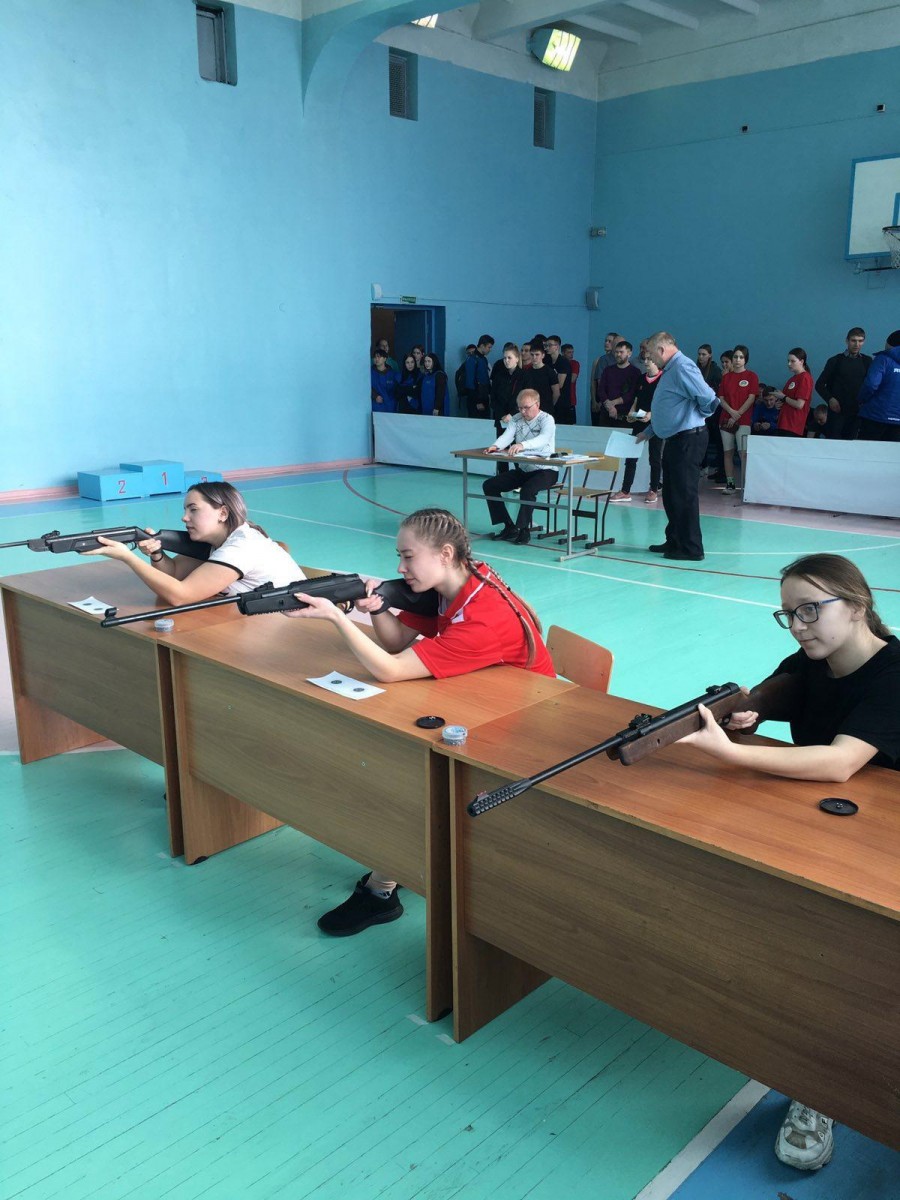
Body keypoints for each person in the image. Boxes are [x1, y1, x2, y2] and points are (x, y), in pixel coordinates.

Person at [680, 552, 899, 1172]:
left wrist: (731, 754)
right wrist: (748, 713)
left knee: (846, 965)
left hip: (884, 847)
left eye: (810, 610)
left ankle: (821, 1087)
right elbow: (767, 698)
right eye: (788, 614)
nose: (798, 626)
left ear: (857, 605)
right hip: (831, 827)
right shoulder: (810, 664)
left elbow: (839, 761)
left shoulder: (895, 674)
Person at [289, 507, 554, 935]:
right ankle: (400, 865)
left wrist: (338, 616)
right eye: (399, 556)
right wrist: (376, 608)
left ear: (445, 554)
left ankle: (381, 892)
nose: (400, 567)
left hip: (524, 734)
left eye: (408, 556)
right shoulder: (459, 583)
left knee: (414, 784)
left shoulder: (482, 617)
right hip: (488, 704)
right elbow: (396, 643)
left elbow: (390, 670)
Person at [84, 481, 304, 605]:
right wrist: (157, 554)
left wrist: (127, 557)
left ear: (223, 513)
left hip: (290, 623)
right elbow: (174, 573)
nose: (184, 518)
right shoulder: (217, 542)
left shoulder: (241, 547)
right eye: (185, 510)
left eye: (194, 510)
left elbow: (180, 595)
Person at [640, 331, 716, 561]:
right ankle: (675, 540)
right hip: (676, 439)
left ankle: (691, 548)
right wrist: (651, 430)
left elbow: (709, 399)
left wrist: (696, 417)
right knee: (672, 494)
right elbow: (671, 406)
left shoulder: (683, 367)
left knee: (684, 494)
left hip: (688, 439)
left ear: (661, 350)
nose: (650, 359)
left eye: (651, 354)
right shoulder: (672, 369)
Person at [482, 388, 557, 545]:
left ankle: (524, 530)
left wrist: (522, 445)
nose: (523, 411)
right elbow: (507, 436)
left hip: (546, 470)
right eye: (520, 408)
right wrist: (495, 446)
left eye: (526, 408)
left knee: (528, 490)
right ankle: (508, 526)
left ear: (537, 404)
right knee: (489, 485)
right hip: (524, 470)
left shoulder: (547, 419)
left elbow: (543, 439)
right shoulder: (516, 419)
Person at [611, 348, 663, 503]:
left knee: (655, 458)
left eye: (649, 359)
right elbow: (635, 399)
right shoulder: (640, 379)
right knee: (631, 456)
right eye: (644, 359)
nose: (645, 362)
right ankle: (625, 491)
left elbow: (666, 403)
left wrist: (652, 414)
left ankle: (653, 489)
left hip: (656, 424)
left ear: (656, 361)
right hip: (639, 422)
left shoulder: (664, 379)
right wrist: (632, 413)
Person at [815, 327, 872, 440]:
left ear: (864, 342)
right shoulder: (835, 361)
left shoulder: (867, 361)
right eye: (853, 340)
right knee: (833, 443)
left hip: (856, 413)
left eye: (860, 341)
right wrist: (830, 399)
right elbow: (819, 385)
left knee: (851, 445)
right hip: (837, 412)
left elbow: (870, 386)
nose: (857, 344)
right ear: (847, 341)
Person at [716, 344, 758, 494]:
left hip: (744, 420)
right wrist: (731, 412)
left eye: (741, 357)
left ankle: (747, 486)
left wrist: (737, 414)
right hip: (726, 420)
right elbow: (721, 398)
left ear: (746, 359)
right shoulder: (726, 377)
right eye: (735, 357)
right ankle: (730, 484)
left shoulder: (752, 376)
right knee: (728, 452)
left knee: (743, 453)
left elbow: (751, 398)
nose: (738, 360)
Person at [855, 329, 900, 441]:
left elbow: (871, 384)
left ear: (890, 343)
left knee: (866, 450)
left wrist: (861, 400)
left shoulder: (883, 359)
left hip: (875, 415)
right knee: (892, 452)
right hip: (897, 420)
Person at [490, 343, 526, 469]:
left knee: (517, 451)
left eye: (509, 358)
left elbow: (525, 399)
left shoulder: (524, 376)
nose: (506, 361)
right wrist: (501, 415)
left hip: (518, 419)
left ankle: (520, 475)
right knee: (501, 451)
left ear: (517, 358)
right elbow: (493, 398)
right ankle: (502, 476)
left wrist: (512, 414)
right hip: (502, 420)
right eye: (504, 358)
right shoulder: (499, 376)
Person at [594, 340, 642, 427]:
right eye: (616, 352)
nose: (618, 354)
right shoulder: (608, 370)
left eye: (621, 352)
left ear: (629, 354)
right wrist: (610, 406)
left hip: (624, 416)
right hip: (606, 414)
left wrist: (613, 403)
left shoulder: (635, 372)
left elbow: (632, 393)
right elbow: (601, 390)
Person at [698, 345, 725, 481]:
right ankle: (702, 465)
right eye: (699, 354)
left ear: (710, 355)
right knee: (700, 438)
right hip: (699, 409)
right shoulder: (695, 369)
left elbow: (720, 390)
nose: (701, 357)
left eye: (704, 354)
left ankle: (718, 468)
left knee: (715, 439)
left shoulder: (715, 370)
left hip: (713, 410)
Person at [774, 347, 814, 437]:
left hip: (793, 425)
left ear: (801, 361)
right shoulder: (792, 379)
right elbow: (787, 400)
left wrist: (783, 397)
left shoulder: (805, 378)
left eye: (793, 361)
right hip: (783, 423)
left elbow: (799, 405)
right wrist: (779, 404)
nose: (789, 364)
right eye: (788, 361)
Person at [590, 333, 620, 424]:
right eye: (606, 341)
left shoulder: (619, 362)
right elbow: (593, 382)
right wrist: (594, 401)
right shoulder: (598, 360)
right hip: (598, 399)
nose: (606, 343)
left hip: (612, 401)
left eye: (609, 341)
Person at [523, 340, 559, 412]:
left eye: (537, 355)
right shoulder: (526, 372)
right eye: (532, 355)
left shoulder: (550, 372)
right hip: (530, 409)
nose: (534, 357)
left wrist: (550, 406)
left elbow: (556, 393)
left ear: (543, 355)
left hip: (546, 410)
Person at [463, 335, 494, 418]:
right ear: (482, 345)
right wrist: (477, 401)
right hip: (476, 400)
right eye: (489, 347)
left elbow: (485, 379)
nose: (490, 350)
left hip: (484, 397)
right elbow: (470, 383)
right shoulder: (471, 359)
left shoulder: (484, 359)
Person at [546, 335, 572, 424]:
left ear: (557, 346)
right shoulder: (547, 361)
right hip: (550, 400)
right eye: (546, 345)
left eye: (550, 345)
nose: (547, 348)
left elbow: (560, 384)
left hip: (562, 402)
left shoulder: (563, 362)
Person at [562, 343, 580, 421]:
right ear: (563, 353)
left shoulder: (575, 364)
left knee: (570, 424)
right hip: (559, 399)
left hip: (570, 399)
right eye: (569, 352)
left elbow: (573, 379)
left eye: (572, 352)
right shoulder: (558, 363)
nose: (571, 354)